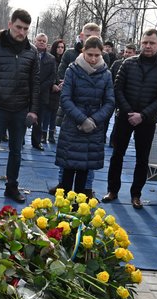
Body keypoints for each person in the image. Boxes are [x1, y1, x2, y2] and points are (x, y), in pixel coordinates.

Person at [102, 29, 157, 209]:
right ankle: (112, 190)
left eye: (152, 43)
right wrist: (129, 112)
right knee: (117, 154)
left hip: (147, 121)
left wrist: (143, 115)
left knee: (142, 159)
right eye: (145, 42)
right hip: (125, 117)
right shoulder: (128, 63)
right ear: (141, 43)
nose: (148, 46)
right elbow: (117, 89)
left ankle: (136, 195)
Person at [0, 8, 39, 204]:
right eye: (19, 27)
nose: (22, 32)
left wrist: (33, 110)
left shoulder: (32, 51)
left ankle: (12, 186)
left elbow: (35, 83)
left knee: (16, 152)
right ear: (10, 24)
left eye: (26, 29)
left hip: (20, 109)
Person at [55, 36, 115, 194]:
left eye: (97, 55)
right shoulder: (72, 70)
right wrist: (82, 119)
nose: (93, 58)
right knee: (68, 173)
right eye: (90, 54)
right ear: (83, 51)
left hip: (93, 129)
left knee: (84, 173)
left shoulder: (106, 74)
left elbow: (109, 102)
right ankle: (63, 211)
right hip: (73, 127)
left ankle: (78, 213)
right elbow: (65, 98)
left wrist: (93, 120)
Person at [31, 33, 57, 151]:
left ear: (47, 43)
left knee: (39, 119)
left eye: (44, 41)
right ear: (35, 41)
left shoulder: (51, 59)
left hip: (43, 93)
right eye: (39, 40)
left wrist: (40, 87)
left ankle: (36, 142)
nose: (41, 42)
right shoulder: (29, 54)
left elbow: (52, 77)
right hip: (27, 91)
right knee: (22, 117)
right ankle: (19, 141)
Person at [42, 39, 65, 144]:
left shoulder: (64, 61)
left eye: (62, 47)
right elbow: (48, 73)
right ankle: (43, 134)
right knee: (47, 112)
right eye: (58, 47)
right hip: (49, 89)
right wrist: (53, 84)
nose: (60, 49)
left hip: (60, 89)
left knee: (54, 113)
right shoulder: (50, 59)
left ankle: (51, 134)